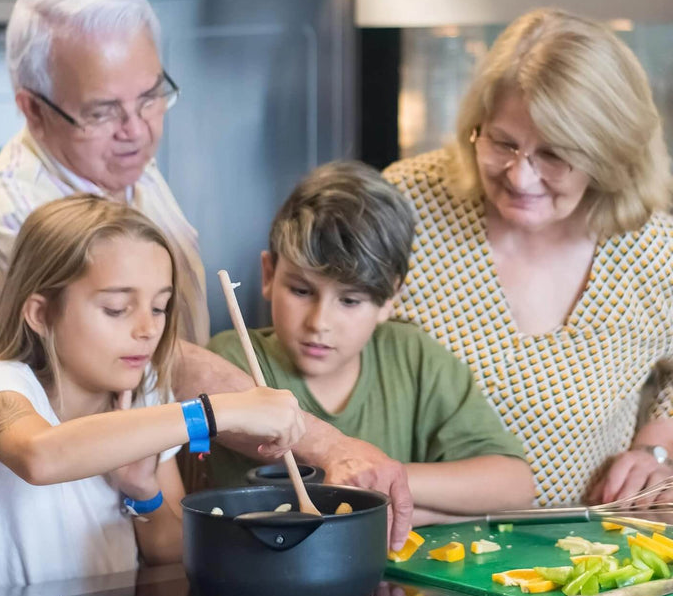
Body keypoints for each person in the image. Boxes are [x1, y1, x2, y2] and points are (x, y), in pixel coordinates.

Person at [0, 0, 414, 549]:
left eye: (151, 96)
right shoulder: (6, 219)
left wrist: (153, 490)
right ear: (32, 109)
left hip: (122, 515)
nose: (139, 129)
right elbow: (167, 364)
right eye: (103, 111)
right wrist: (298, 434)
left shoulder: (116, 158)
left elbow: (163, 520)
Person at [383, 8, 673, 508]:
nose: (521, 177)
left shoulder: (651, 249)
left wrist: (657, 450)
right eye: (503, 143)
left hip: (582, 557)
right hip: (414, 553)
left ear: (608, 155)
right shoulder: (408, 204)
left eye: (555, 155)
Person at [0, 195, 305, 596]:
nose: (147, 329)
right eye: (117, 309)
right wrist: (215, 411)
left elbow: (171, 552)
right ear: (40, 314)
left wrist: (145, 494)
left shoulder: (145, 393)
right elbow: (40, 456)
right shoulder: (1, 385)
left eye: (159, 308)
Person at [208, 161, 535, 524]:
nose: (319, 323)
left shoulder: (414, 356)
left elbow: (515, 485)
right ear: (269, 275)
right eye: (301, 290)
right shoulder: (231, 360)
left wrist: (386, 478)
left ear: (390, 298)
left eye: (350, 301)